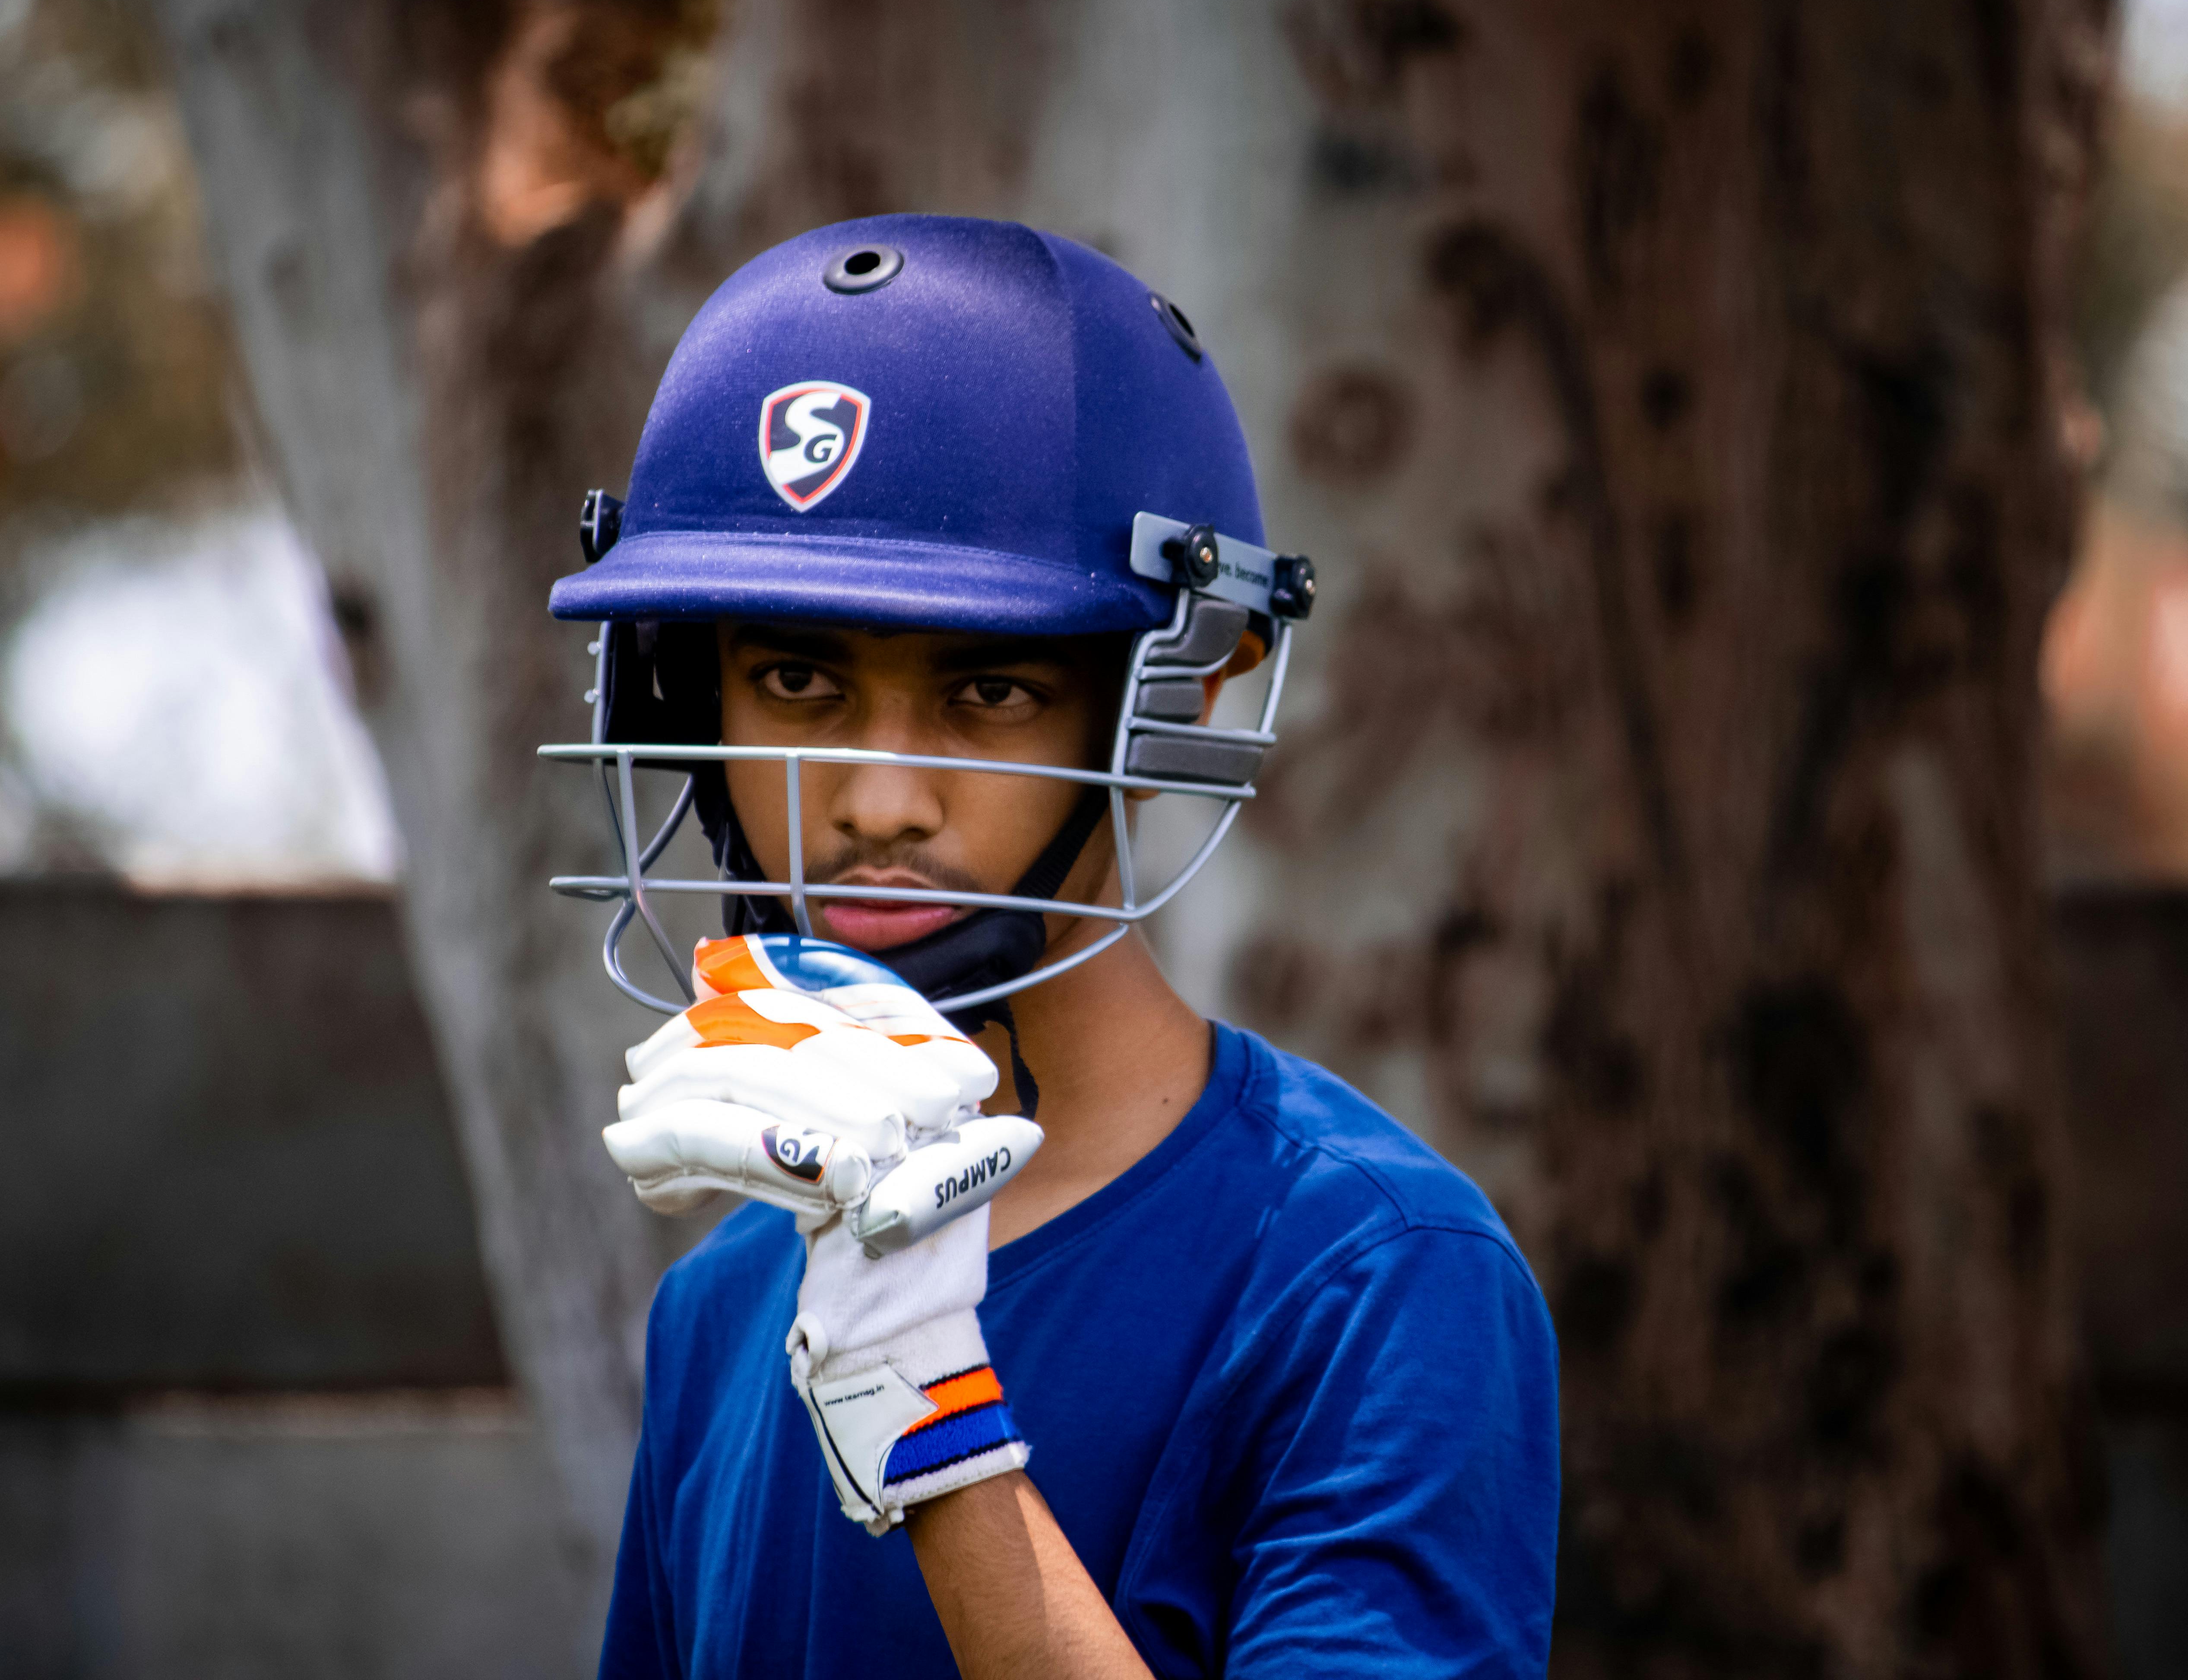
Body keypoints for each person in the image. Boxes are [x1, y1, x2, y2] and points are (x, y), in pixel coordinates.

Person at [548, 214, 1557, 1679]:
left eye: (994, 690)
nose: (877, 802)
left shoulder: (1372, 1273)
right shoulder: (719, 1304)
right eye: (793, 677)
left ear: (1188, 693)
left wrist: (933, 1416)